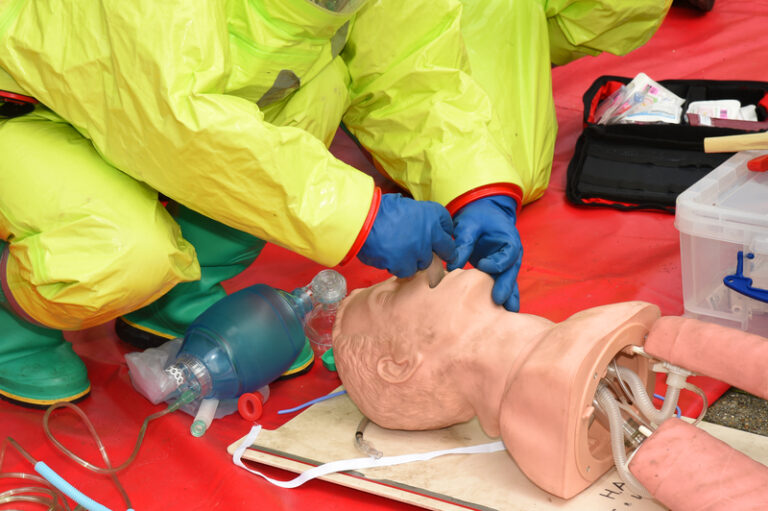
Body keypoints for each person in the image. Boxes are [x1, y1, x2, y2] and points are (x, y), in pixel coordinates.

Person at [0, 0, 671, 406]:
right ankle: (14, 318)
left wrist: (478, 188)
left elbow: (413, 70)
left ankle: (169, 292)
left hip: (146, 117)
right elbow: (177, 122)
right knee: (114, 252)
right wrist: (361, 216)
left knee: (304, 104)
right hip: (31, 108)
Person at [332, 265, 768, 503]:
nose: (410, 270)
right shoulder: (537, 426)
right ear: (399, 365)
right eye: (389, 294)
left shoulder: (618, 336)